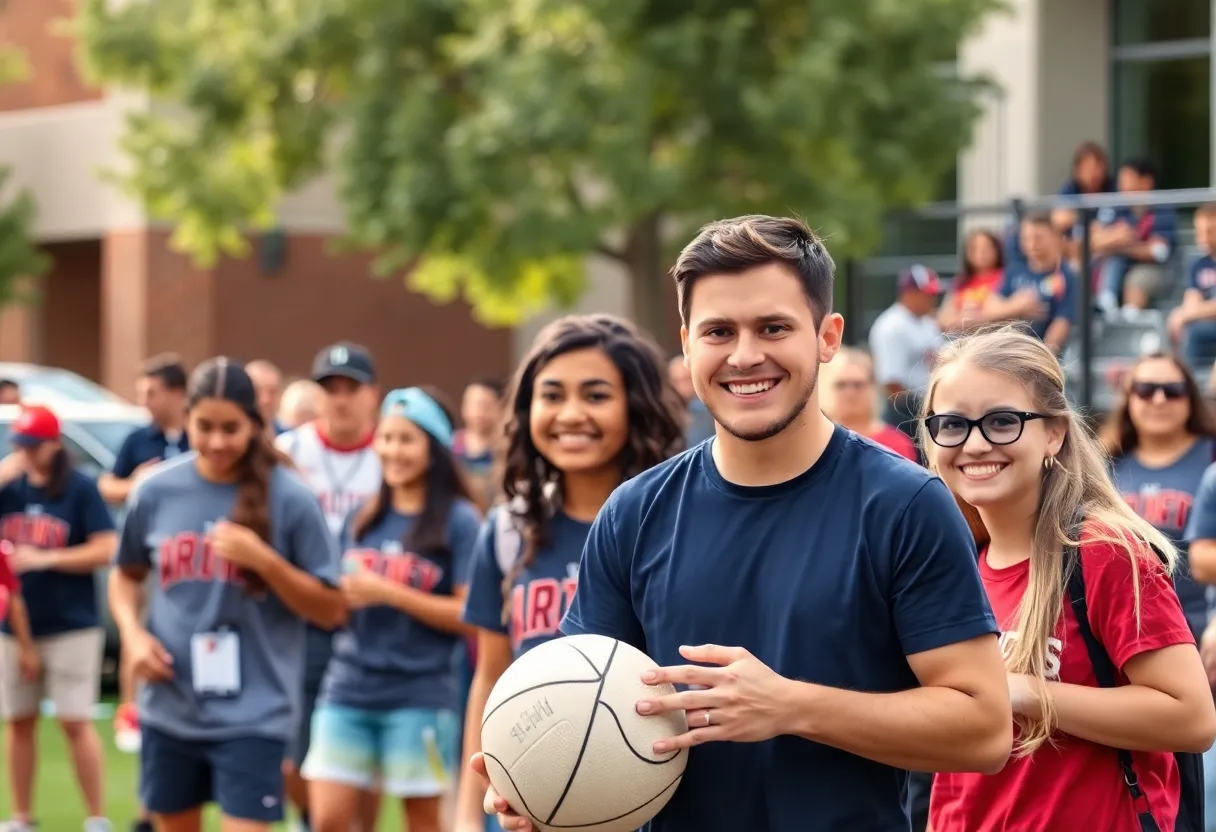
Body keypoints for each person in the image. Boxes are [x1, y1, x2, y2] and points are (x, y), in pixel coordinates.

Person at [473, 215, 1011, 831]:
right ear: (686, 343)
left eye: (774, 327)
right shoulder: (633, 512)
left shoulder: (906, 504)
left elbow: (983, 730)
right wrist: (542, 791)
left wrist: (791, 706)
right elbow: (583, 715)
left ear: (827, 336)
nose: (745, 355)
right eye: (719, 331)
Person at [923, 327, 1216, 831]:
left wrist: (1024, 693)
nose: (974, 443)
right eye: (951, 424)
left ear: (1054, 432)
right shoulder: (952, 562)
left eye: (1001, 421)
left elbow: (1191, 719)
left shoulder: (1102, 551)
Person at [454, 315, 686, 832]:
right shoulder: (510, 528)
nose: (571, 414)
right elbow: (490, 677)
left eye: (596, 395)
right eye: (552, 395)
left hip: (641, 796)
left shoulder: (675, 525)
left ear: (637, 407)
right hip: (530, 800)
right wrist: (469, 816)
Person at [108, 357, 346, 832]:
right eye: (205, 427)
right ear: (187, 419)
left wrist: (266, 562)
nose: (217, 441)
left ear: (255, 425)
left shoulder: (291, 498)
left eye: (231, 429)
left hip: (254, 713)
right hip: (170, 705)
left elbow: (332, 609)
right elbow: (125, 574)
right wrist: (132, 636)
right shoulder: (155, 491)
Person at [302, 387, 481, 832]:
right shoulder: (363, 517)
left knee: (421, 822)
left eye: (406, 439)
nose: (392, 451)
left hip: (419, 693)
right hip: (348, 686)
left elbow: (468, 614)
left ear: (433, 449)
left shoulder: (459, 520)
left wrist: (389, 592)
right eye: (386, 438)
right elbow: (340, 602)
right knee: (327, 819)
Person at [275, 342, 382, 832]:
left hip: (372, 619)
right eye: (331, 388)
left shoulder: (390, 451)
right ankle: (306, 816)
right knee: (291, 751)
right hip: (302, 613)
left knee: (367, 749)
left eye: (351, 388)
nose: (341, 398)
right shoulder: (288, 451)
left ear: (371, 395)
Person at [0, 405, 118, 832]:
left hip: (71, 623)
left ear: (54, 444)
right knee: (19, 720)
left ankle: (97, 817)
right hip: (14, 626)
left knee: (74, 719)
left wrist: (48, 559)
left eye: (34, 445)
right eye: (21, 445)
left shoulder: (79, 488)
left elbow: (107, 548)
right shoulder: (8, 487)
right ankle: (22, 817)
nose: (27, 454)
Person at [1101, 353, 1216, 639]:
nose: (1160, 399)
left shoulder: (1212, 457)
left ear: (1190, 397)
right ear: (1129, 398)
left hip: (1201, 629)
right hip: (1123, 629)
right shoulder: (1102, 464)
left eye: (1173, 391)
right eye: (1146, 390)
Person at [983, 212, 1077, 355]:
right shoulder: (1014, 271)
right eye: (1026, 238)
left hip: (1043, 357)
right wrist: (1016, 307)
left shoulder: (1067, 276)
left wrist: (1041, 360)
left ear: (1055, 238)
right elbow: (989, 310)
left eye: (1038, 237)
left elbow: (1061, 325)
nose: (1032, 243)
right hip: (1007, 352)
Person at [868, 264, 945, 437]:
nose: (933, 299)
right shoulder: (891, 326)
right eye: (928, 294)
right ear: (909, 294)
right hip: (904, 415)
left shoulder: (927, 321)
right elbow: (892, 385)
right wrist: (922, 410)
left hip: (930, 407)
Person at [819, 347, 918, 462]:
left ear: (873, 388)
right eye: (842, 385)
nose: (850, 393)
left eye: (858, 385)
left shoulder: (896, 444)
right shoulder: (816, 441)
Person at [938, 229, 1006, 334]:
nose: (981, 253)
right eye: (975, 248)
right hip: (961, 336)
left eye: (987, 248)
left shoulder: (1005, 277)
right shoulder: (960, 282)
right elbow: (944, 317)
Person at [454, 379, 505, 512]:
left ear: (500, 407)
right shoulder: (451, 446)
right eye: (472, 404)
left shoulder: (506, 451)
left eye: (484, 405)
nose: (477, 411)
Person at [668, 354, 716, 446]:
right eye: (677, 381)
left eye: (687, 379)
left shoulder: (708, 409)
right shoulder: (670, 412)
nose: (683, 386)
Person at [246, 360, 288, 436]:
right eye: (258, 390)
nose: (266, 400)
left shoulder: (289, 439)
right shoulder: (235, 438)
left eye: (272, 391)